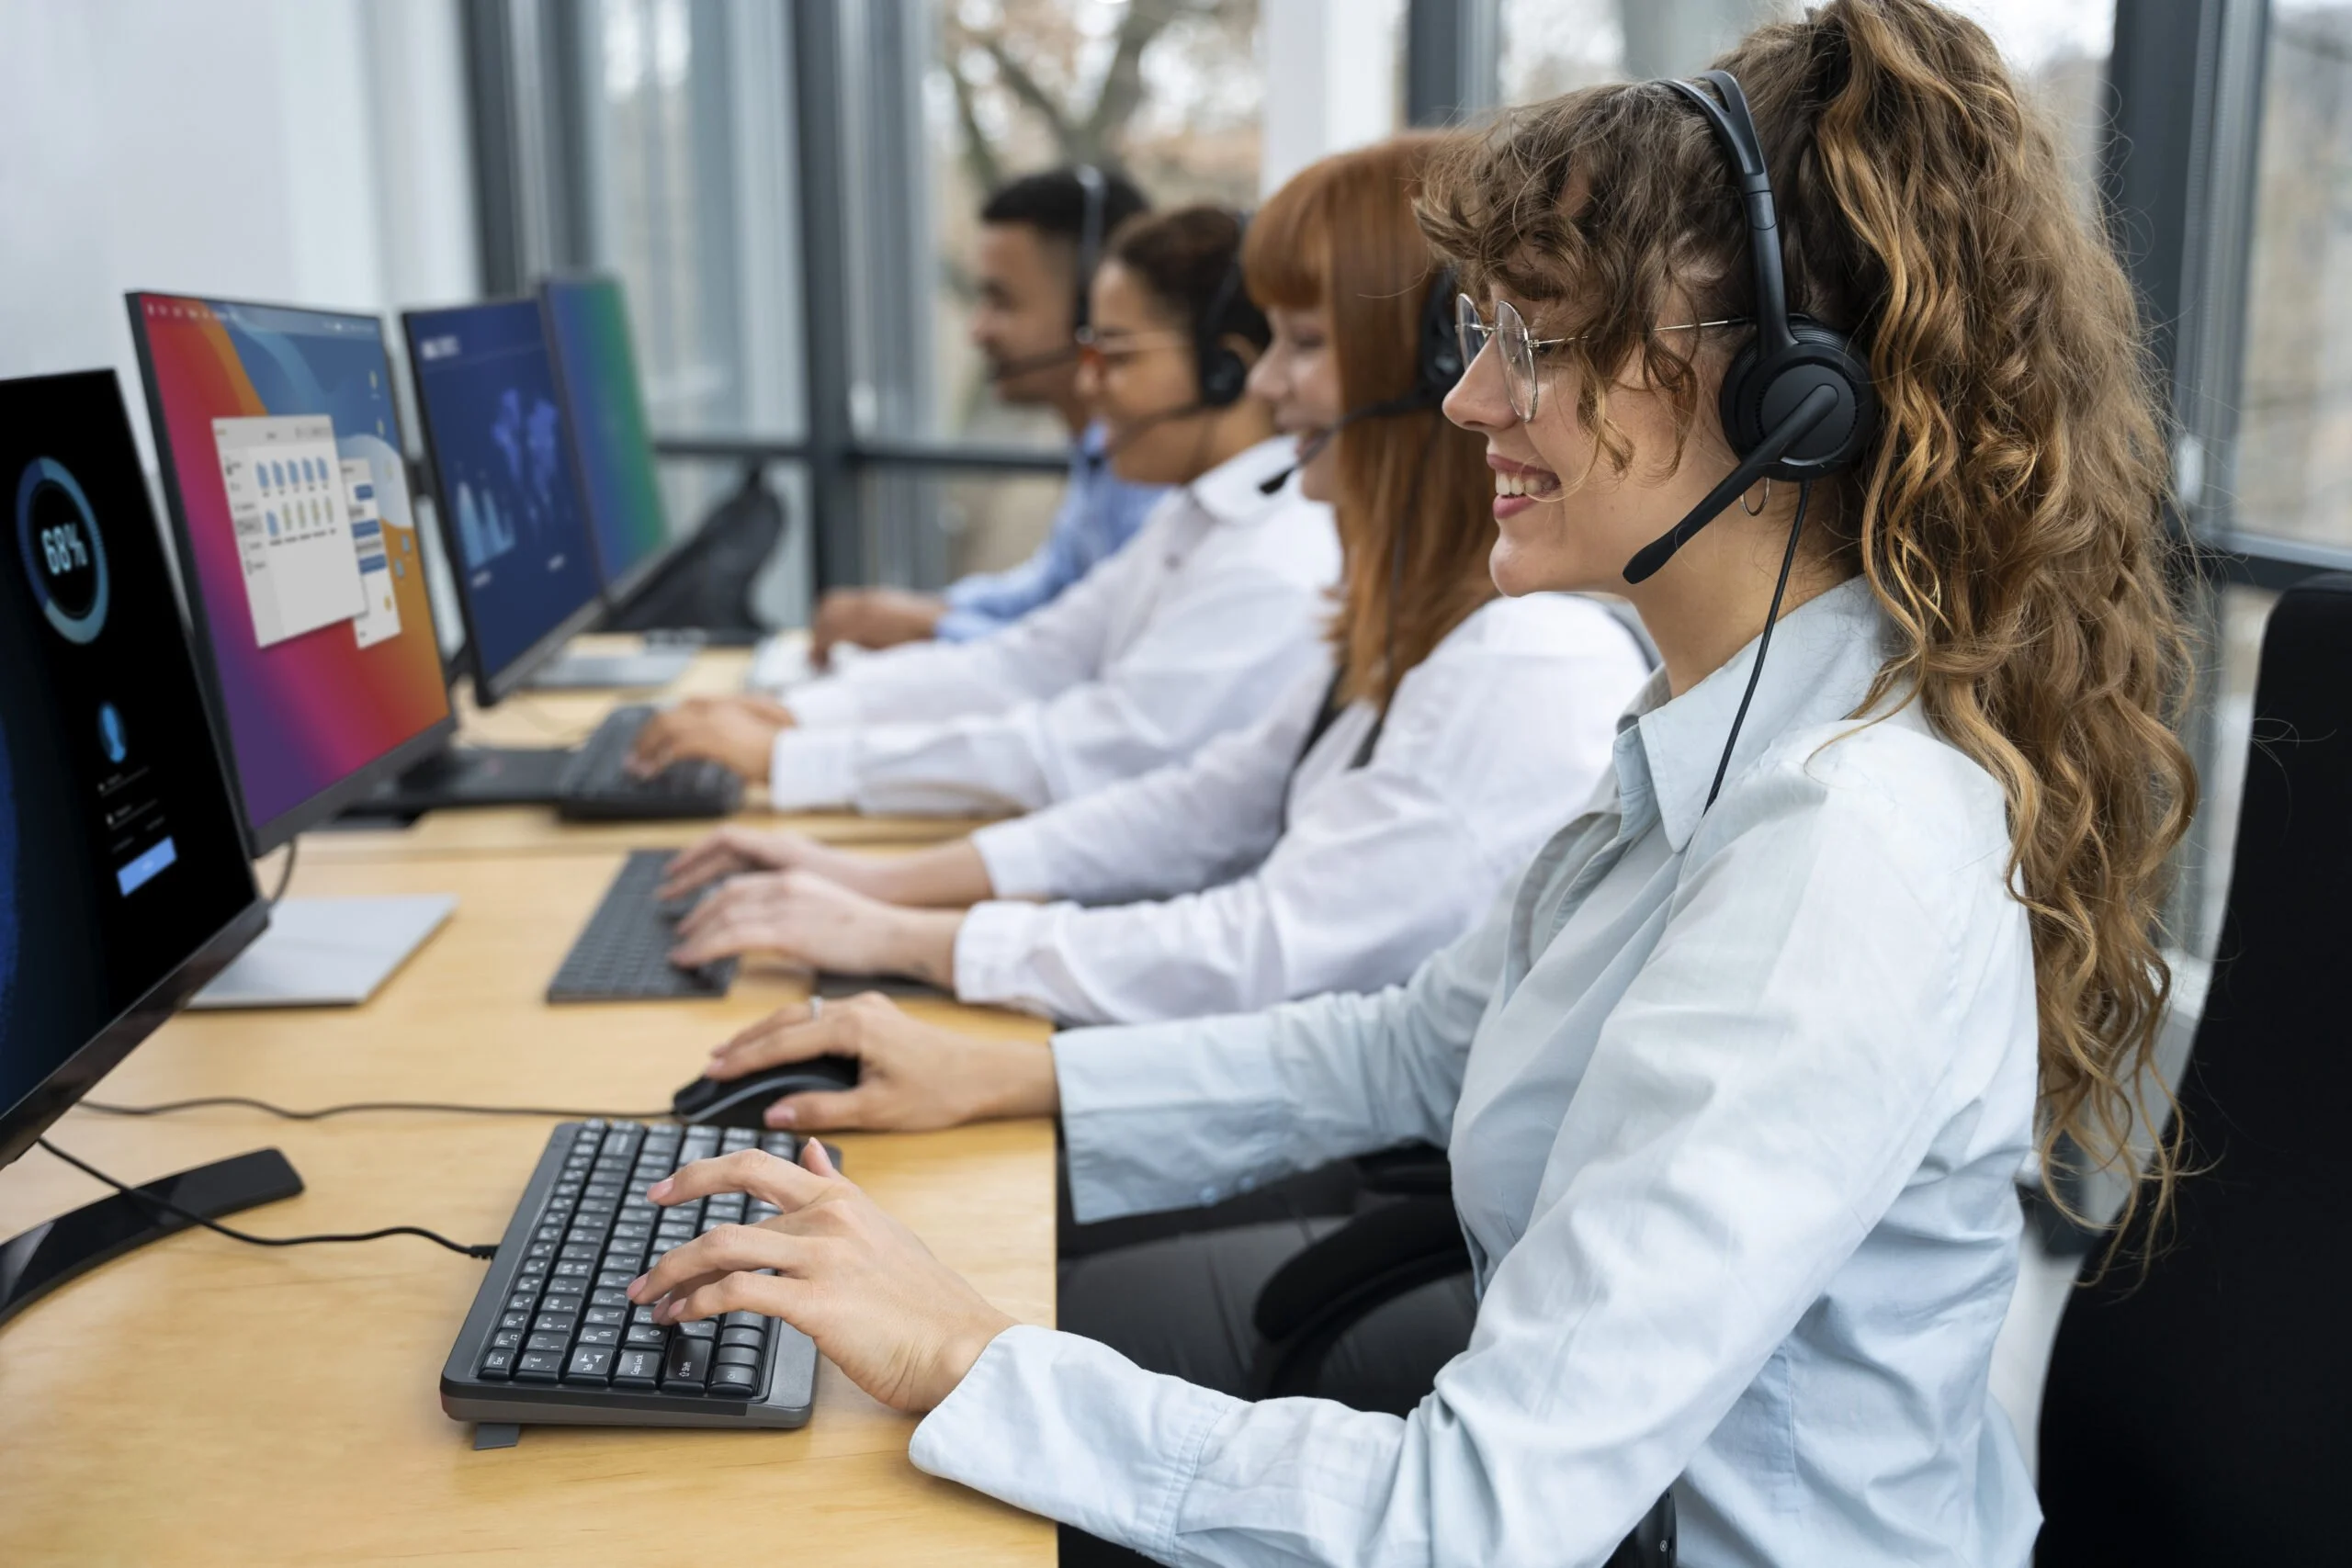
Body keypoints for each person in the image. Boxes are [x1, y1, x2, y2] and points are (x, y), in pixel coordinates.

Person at [620, 3, 2198, 1562]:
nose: (1470, 402)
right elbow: (1416, 1042)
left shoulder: (1837, 853)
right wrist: (1003, 1078)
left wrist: (967, 1356)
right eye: (1480, 337)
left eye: (1541, 342)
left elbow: (1472, 1520)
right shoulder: (1713, 730)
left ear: (1792, 398)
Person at [650, 137, 1651, 1027]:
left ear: (1426, 378)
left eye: (1301, 346)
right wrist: (872, 887)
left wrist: (905, 932)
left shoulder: (1512, 663)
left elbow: (1264, 940)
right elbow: (1198, 803)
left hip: (1320, 1155)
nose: (1263, 386)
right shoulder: (1404, 623)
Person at [628, 206, 1340, 815]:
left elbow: (1089, 751)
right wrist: (792, 715)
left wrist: (794, 756)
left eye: (1116, 356)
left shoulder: (1271, 560)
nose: (1090, 388)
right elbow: (1024, 663)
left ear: (1226, 370)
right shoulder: (1195, 515)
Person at [794, 166, 1167, 668]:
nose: (977, 330)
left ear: (1091, 311)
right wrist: (924, 611)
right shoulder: (1099, 452)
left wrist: (930, 625)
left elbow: (1089, 659)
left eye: (1001, 301)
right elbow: (1049, 592)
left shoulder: (1154, 477)